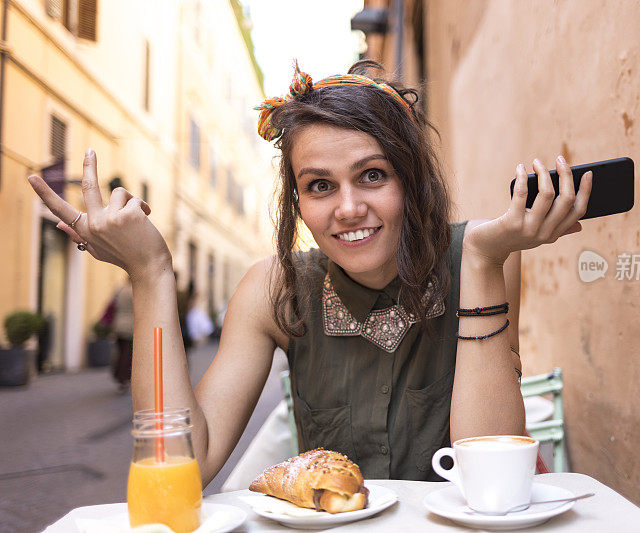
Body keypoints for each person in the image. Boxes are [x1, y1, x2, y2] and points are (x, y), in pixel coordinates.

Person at [27, 60, 592, 484]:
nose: (347, 208)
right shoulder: (275, 288)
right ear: (297, 201)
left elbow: (490, 467)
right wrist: (149, 273)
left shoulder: (479, 256)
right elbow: (180, 466)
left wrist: (484, 263)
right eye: (319, 185)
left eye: (372, 175)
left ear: (413, 181)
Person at [110, 279, 134, 390]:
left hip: (118, 324)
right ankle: (123, 377)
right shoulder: (134, 291)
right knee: (127, 353)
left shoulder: (120, 290)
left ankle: (118, 375)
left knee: (120, 351)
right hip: (130, 325)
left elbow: (113, 305)